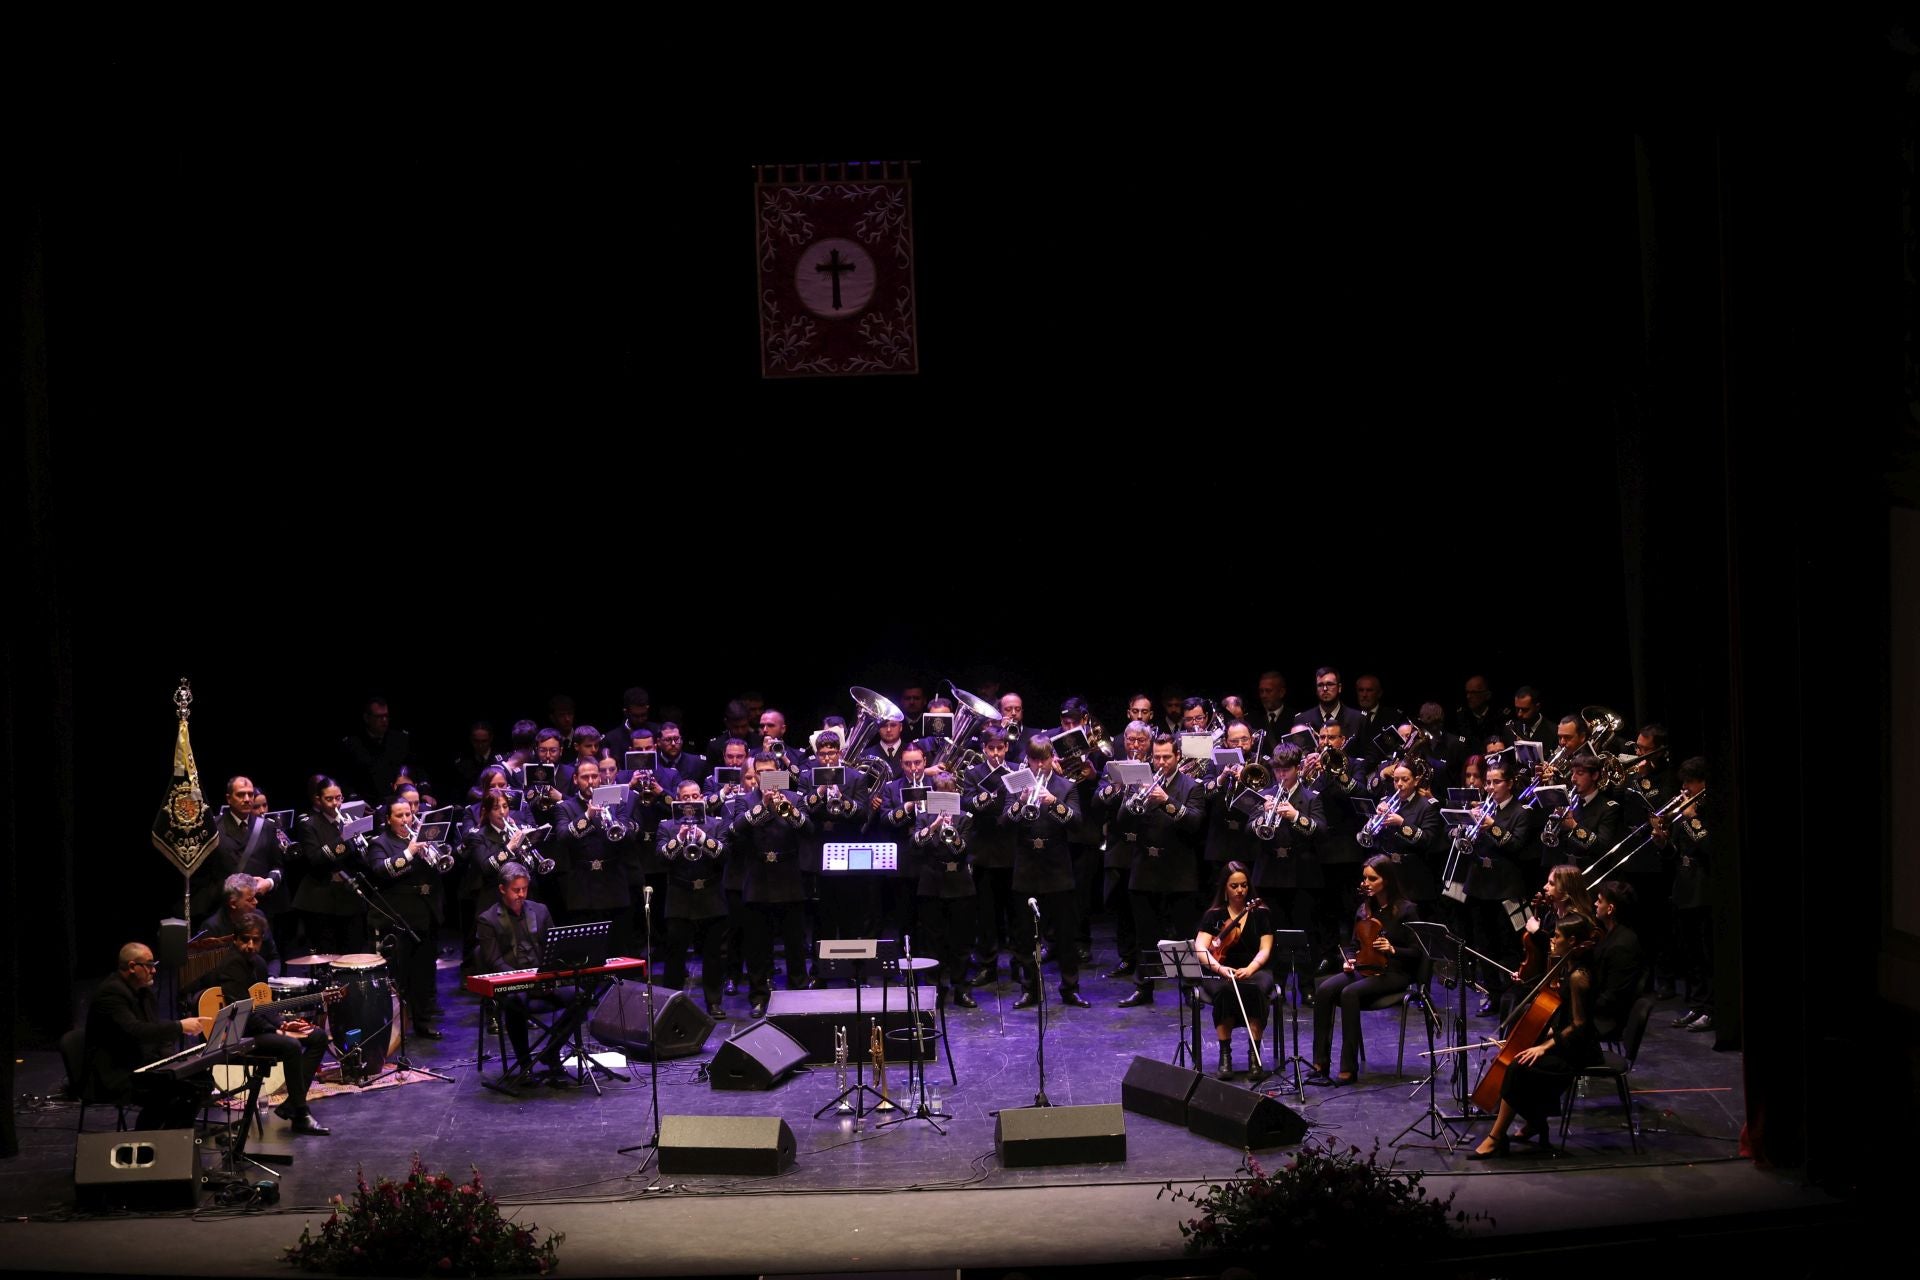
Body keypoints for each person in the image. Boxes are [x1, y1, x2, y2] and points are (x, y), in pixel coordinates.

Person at [1467, 914, 1602, 1158]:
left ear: (1572, 941)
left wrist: (1544, 1046)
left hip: (1579, 1051)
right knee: (1521, 1057)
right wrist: (1540, 1035)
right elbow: (1565, 1019)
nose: (1552, 940)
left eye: (1557, 936)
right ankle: (1535, 1122)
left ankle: (1497, 1137)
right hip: (1567, 1042)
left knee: (1518, 1066)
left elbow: (1580, 1025)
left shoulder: (1578, 977)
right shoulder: (1567, 966)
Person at [197, 911, 331, 1132]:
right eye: (245, 939)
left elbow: (262, 1004)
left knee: (318, 1036)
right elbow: (242, 1013)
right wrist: (277, 1031)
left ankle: (291, 1105)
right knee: (290, 1045)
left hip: (256, 1027)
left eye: (255, 940)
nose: (250, 945)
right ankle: (300, 1113)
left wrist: (283, 1023)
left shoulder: (258, 963)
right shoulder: (230, 965)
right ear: (235, 939)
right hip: (237, 1034)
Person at [1308, 855, 1419, 1087]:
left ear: (1386, 880)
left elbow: (1418, 953)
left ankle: (1348, 1069)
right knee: (1325, 989)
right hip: (1365, 968)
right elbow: (1352, 945)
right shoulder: (1364, 909)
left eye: (1372, 879)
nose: (1366, 883)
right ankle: (1320, 1064)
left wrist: (1393, 949)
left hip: (1394, 972)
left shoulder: (1406, 910)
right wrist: (1349, 959)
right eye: (1365, 878)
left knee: (1349, 993)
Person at [473, 863, 586, 1085]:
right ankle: (524, 1065)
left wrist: (548, 974)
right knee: (515, 1002)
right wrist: (525, 980)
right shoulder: (488, 919)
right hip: (514, 985)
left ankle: (551, 1051)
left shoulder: (540, 910)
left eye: (524, 889)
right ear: (502, 889)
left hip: (543, 981)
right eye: (516, 890)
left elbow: (555, 949)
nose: (521, 894)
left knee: (582, 996)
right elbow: (494, 961)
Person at [83, 942, 210, 1129]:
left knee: (201, 1080)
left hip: (140, 1063)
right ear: (132, 967)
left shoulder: (144, 991)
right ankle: (148, 1139)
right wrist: (179, 1026)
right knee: (174, 1091)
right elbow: (136, 1031)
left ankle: (170, 1137)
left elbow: (154, 1028)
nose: (154, 970)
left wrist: (172, 1060)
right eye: (149, 965)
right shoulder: (111, 993)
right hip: (117, 1072)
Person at [1194, 862, 1275, 1082]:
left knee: (1256, 989)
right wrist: (1219, 968)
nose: (1240, 890)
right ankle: (1225, 1055)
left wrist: (1250, 968)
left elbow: (1265, 949)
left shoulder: (1260, 913)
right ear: (1224, 888)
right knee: (1225, 991)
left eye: (1244, 885)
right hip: (1220, 971)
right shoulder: (1214, 915)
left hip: (1254, 969)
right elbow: (1200, 947)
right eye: (1234, 886)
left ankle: (1254, 1056)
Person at [657, 781, 731, 1016]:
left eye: (695, 796)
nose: (691, 801)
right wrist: (680, 839)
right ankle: (671, 1003)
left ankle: (714, 1001)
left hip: (711, 896)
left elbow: (724, 855)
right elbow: (661, 858)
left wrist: (701, 837)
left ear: (702, 798)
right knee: (675, 954)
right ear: (678, 801)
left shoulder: (716, 824)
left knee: (714, 954)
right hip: (679, 898)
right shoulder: (667, 826)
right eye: (686, 797)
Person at [293, 774, 369, 956]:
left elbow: (361, 859)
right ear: (318, 800)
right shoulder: (309, 825)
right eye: (329, 799)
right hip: (323, 901)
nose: (335, 804)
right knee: (328, 955)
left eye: (338, 798)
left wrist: (362, 843)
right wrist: (343, 839)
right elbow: (315, 858)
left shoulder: (349, 819)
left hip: (350, 898)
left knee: (354, 953)